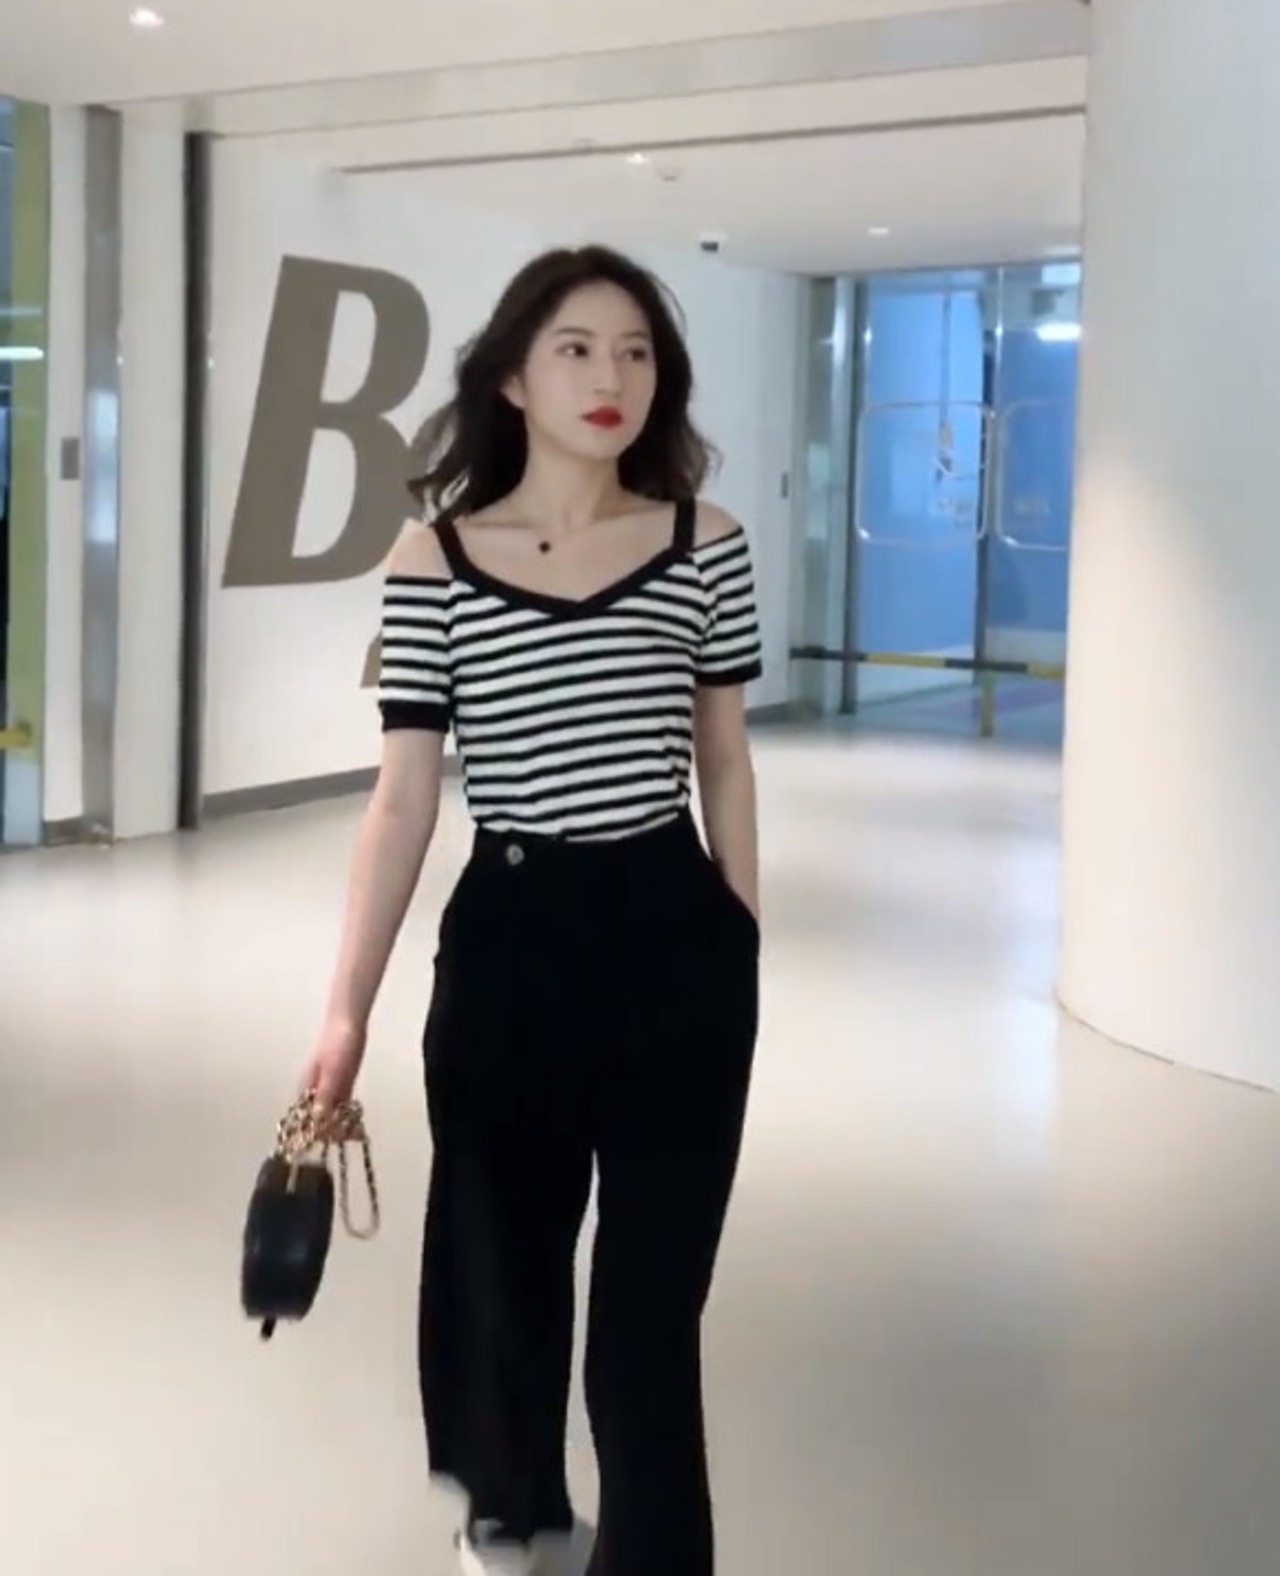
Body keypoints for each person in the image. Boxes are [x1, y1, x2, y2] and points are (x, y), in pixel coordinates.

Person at [301, 244, 763, 1576]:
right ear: (512, 378)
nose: (611, 375)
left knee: (650, 1317)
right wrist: (344, 1014)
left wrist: (738, 936)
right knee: (503, 1266)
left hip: (674, 938)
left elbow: (726, 758)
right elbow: (402, 801)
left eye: (636, 351)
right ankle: (512, 1505)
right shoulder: (434, 561)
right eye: (576, 348)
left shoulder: (705, 544)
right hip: (509, 942)